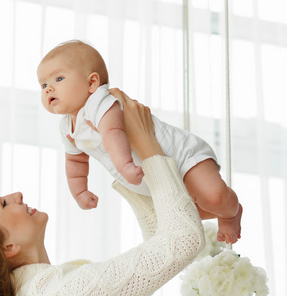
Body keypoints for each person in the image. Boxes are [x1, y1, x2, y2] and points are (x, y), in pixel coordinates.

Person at [0, 89, 205, 296]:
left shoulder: (44, 289)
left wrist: (124, 163)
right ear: (6, 247)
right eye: (2, 203)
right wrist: (146, 144)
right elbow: (182, 241)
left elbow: (161, 249)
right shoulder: (55, 293)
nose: (15, 194)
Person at [37, 40, 242, 244]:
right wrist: (79, 191)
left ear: (92, 83)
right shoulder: (67, 127)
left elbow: (113, 133)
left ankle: (229, 213)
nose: (48, 89)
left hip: (180, 156)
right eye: (44, 84)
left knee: (214, 198)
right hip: (154, 177)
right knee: (183, 212)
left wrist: (125, 166)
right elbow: (75, 162)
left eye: (59, 78)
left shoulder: (99, 102)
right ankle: (222, 211)